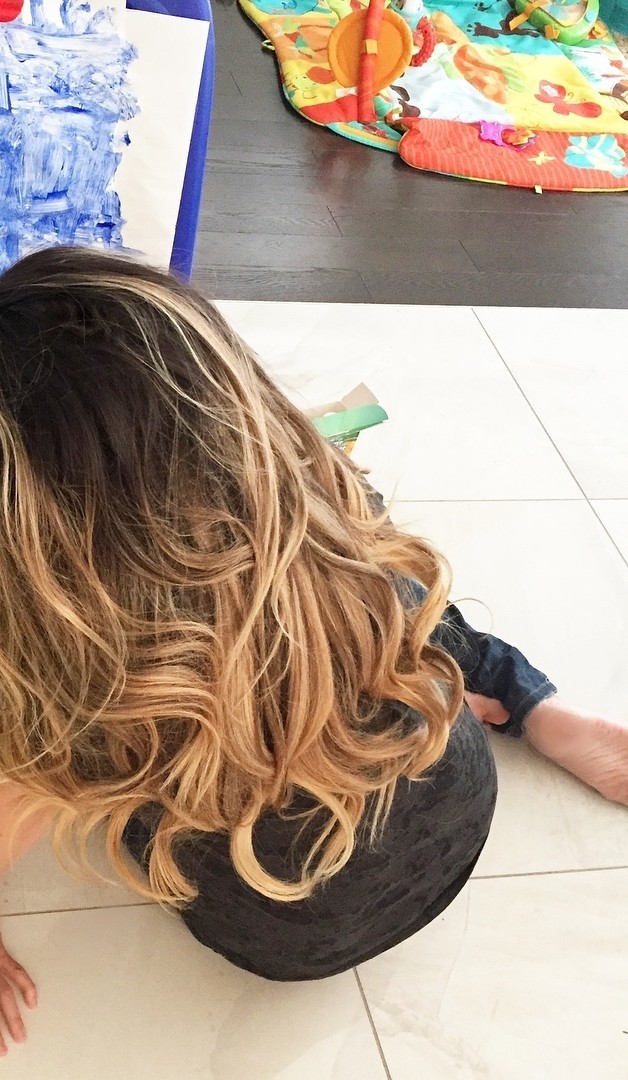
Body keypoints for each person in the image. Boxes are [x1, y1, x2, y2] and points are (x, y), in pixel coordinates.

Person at [0, 246, 624, 1055]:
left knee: (75, 744)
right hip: (465, 809)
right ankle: (534, 708)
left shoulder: (79, 661)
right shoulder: (306, 484)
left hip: (289, 930)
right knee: (363, 571)